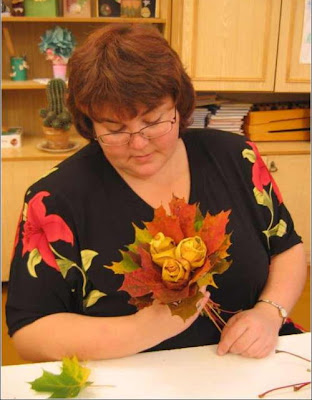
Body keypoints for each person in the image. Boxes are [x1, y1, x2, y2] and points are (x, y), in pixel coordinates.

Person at [6, 24, 307, 362]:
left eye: (152, 121)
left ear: (179, 104)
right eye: (114, 129)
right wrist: (145, 329)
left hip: (253, 364)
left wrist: (270, 312)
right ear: (89, 123)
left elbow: (287, 247)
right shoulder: (53, 200)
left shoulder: (238, 158)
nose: (137, 143)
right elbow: (29, 331)